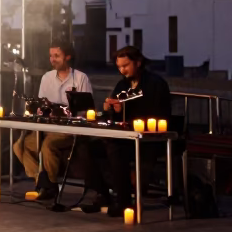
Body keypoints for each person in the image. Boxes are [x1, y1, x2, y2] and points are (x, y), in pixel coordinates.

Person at [80, 45, 172, 216]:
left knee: (115, 149)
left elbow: (159, 114)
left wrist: (126, 110)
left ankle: (123, 201)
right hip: (124, 137)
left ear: (138, 63)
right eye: (119, 67)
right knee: (86, 147)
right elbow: (115, 113)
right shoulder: (122, 84)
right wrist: (110, 108)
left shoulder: (156, 84)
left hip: (149, 140)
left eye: (125, 66)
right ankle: (103, 194)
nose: (122, 70)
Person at [12, 41, 92, 200]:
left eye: (57, 56)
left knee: (48, 145)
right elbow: (42, 105)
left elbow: (87, 110)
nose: (52, 59)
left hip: (68, 129)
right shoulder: (47, 77)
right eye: (51, 56)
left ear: (68, 57)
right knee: (19, 146)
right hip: (48, 127)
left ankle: (49, 184)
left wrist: (67, 113)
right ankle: (44, 183)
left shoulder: (81, 78)